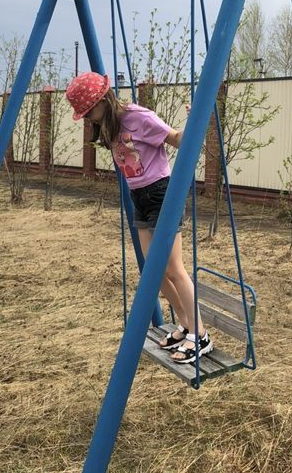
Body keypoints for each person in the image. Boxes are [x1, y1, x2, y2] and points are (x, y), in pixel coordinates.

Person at [65, 71, 212, 364]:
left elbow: (177, 140)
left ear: (103, 100)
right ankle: (184, 324)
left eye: (89, 111)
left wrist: (196, 119)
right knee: (153, 273)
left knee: (174, 269)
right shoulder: (110, 125)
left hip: (161, 194)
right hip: (139, 197)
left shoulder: (139, 117)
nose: (88, 119)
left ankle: (201, 336)